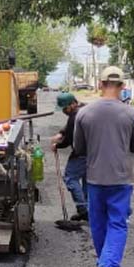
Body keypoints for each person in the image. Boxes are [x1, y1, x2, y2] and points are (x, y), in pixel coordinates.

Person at [73, 66, 134, 267]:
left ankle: (106, 266)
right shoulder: (132, 114)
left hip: (94, 178)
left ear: (100, 84)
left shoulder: (84, 113)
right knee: (118, 223)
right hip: (121, 179)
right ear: (123, 86)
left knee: (98, 224)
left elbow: (79, 148)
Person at [50, 93, 87, 221]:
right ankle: (89, 210)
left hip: (82, 153)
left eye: (65, 108)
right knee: (87, 181)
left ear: (73, 104)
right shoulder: (84, 109)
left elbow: (68, 140)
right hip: (95, 153)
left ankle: (83, 210)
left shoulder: (74, 116)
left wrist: (57, 145)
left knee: (70, 178)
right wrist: (61, 132)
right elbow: (69, 127)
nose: (64, 111)